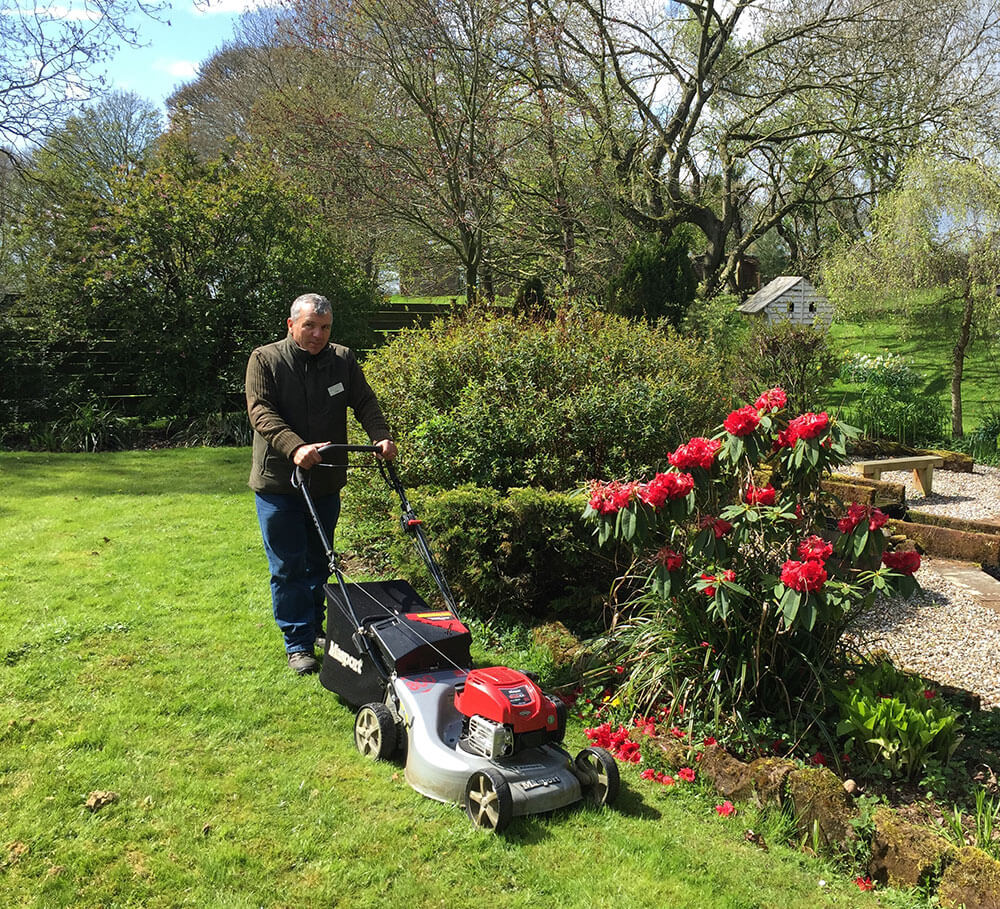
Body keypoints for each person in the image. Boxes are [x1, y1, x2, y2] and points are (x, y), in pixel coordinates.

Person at [246, 292, 397, 675]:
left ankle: (315, 628)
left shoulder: (342, 360)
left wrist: (380, 435)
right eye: (310, 326)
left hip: (326, 480)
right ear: (291, 325)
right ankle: (297, 642)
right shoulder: (265, 360)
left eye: (325, 327)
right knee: (287, 565)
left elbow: (365, 402)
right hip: (279, 483)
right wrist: (294, 448)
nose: (317, 334)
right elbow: (261, 412)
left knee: (320, 560)